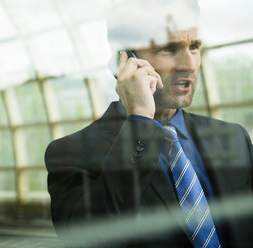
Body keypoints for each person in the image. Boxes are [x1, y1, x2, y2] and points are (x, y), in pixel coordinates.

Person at [44, 1, 253, 247]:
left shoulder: (234, 137)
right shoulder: (71, 153)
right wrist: (140, 119)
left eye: (194, 46)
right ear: (125, 59)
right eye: (168, 49)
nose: (189, 64)